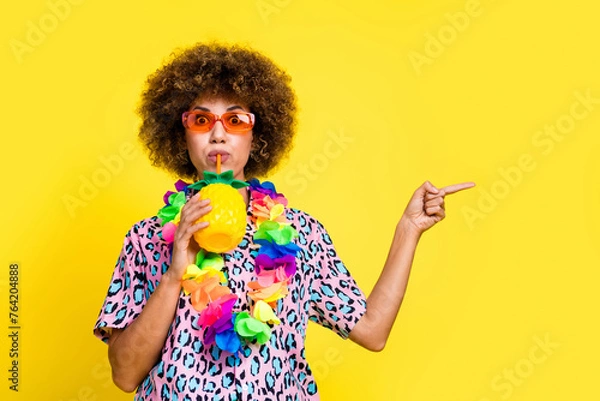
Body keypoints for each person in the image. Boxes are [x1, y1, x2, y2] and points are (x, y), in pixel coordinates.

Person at [93, 42, 474, 401]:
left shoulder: (301, 234)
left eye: (236, 119)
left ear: (257, 136)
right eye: (201, 119)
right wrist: (176, 273)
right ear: (182, 135)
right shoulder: (147, 238)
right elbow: (125, 375)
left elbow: (372, 332)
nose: (219, 133)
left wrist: (408, 230)